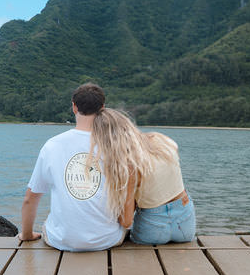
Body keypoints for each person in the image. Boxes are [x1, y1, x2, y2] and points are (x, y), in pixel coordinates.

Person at [19, 83, 126, 251]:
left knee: (49, 224)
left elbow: (30, 198)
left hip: (61, 241)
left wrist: (26, 235)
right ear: (102, 108)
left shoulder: (52, 145)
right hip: (106, 240)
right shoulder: (114, 144)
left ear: (74, 107)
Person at [90, 108, 196, 244]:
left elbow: (126, 221)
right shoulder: (161, 139)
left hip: (153, 228)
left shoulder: (128, 165)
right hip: (185, 222)